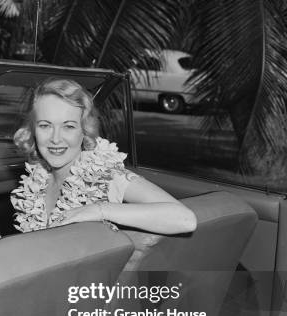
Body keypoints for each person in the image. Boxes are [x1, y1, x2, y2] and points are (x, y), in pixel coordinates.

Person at [11, 78, 197, 234]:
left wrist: (99, 210)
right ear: (33, 130)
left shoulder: (107, 176)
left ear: (84, 130)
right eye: (45, 125)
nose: (56, 139)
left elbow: (185, 219)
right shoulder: (34, 180)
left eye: (68, 126)